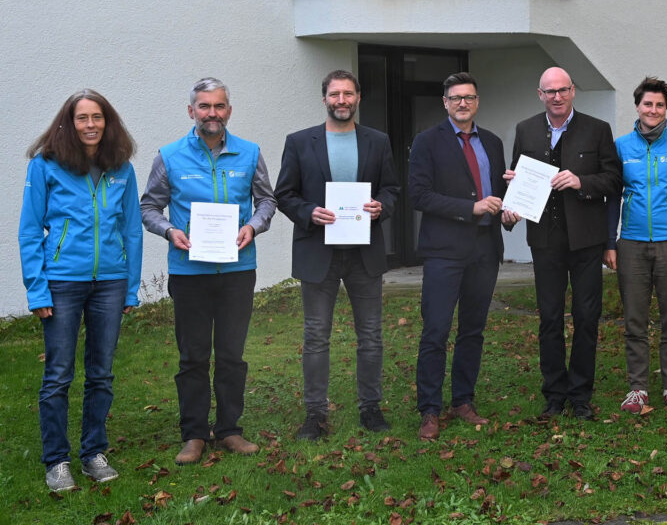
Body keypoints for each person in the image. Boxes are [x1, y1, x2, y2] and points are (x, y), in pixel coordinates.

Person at [140, 78, 276, 464]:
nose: (211, 113)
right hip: (189, 272)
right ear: (191, 111)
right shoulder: (169, 156)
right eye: (204, 106)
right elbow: (149, 206)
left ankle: (230, 429)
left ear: (228, 111)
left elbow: (266, 200)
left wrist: (254, 226)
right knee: (193, 356)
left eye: (218, 106)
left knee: (232, 354)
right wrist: (170, 231)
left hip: (237, 270)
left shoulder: (249, 153)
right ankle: (195, 434)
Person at [19, 90, 143, 492]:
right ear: (69, 123)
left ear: (108, 122)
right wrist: (38, 290)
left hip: (110, 282)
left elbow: (132, 230)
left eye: (97, 117)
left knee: (101, 373)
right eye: (82, 118)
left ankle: (93, 453)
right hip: (62, 282)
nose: (91, 124)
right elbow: (29, 231)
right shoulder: (46, 165)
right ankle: (57, 460)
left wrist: (130, 287)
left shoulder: (120, 167)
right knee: (58, 375)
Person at [274, 70, 399, 438]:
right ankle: (315, 414)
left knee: (371, 334)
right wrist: (308, 212)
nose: (341, 100)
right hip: (318, 251)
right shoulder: (299, 142)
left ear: (358, 97)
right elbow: (285, 194)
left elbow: (392, 188)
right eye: (334, 94)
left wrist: (382, 207)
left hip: (364, 253)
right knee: (316, 335)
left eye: (348, 93)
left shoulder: (378, 141)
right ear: (324, 98)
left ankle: (370, 408)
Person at [503, 67, 621, 420]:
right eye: (550, 91)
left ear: (573, 91)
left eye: (563, 90)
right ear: (540, 94)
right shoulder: (525, 129)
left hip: (586, 239)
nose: (557, 97)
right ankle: (554, 394)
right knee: (550, 317)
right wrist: (511, 201)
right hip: (545, 239)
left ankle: (581, 394)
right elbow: (516, 178)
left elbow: (614, 179)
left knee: (586, 317)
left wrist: (582, 181)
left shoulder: (597, 129)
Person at [408, 72, 507, 440]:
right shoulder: (426, 142)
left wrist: (507, 210)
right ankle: (429, 410)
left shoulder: (493, 142)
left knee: (473, 330)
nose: (462, 103)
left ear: (477, 101)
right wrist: (470, 208)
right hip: (444, 251)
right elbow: (419, 195)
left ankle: (463, 401)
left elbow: (497, 193)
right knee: (435, 330)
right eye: (455, 98)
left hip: (485, 248)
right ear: (445, 103)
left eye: (469, 97)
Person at [604, 77, 667, 414]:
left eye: (660, 105)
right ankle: (638, 389)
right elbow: (612, 197)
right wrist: (610, 242)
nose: (654, 110)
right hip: (631, 243)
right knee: (635, 320)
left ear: (666, 108)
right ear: (637, 107)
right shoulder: (621, 146)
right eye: (648, 104)